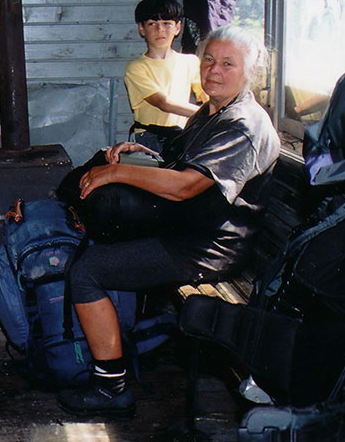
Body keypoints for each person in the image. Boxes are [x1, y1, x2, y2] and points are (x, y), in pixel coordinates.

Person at [57, 25, 281, 419]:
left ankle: (112, 388)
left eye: (228, 64)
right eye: (209, 60)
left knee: (87, 270)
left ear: (250, 73)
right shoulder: (213, 110)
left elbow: (186, 187)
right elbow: (180, 166)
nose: (214, 70)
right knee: (101, 234)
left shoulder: (243, 125)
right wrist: (139, 153)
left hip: (208, 250)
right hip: (190, 230)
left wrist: (117, 174)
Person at [124, 0, 204, 153]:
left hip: (183, 135)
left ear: (178, 28)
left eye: (167, 23)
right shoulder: (136, 68)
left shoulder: (191, 62)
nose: (160, 30)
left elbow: (207, 96)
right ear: (142, 29)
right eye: (152, 24)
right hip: (149, 138)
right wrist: (208, 114)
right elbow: (164, 103)